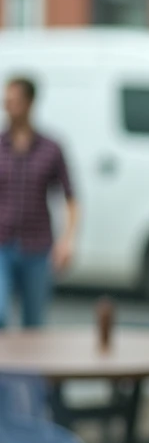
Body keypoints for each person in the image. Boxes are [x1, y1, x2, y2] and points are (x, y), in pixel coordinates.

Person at [0, 76, 78, 329]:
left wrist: (67, 241)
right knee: (0, 312)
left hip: (37, 246)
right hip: (2, 243)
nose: (8, 107)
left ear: (30, 103)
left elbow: (71, 197)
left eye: (14, 101)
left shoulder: (51, 148)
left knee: (33, 324)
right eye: (6, 102)